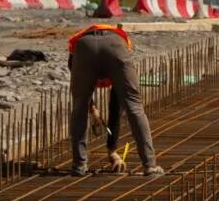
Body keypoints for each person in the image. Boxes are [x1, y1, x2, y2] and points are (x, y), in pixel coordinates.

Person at [66, 23, 163, 177]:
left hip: (84, 47)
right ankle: (150, 166)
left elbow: (80, 91)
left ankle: (79, 166)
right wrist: (94, 110)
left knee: (79, 106)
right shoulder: (119, 50)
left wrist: (112, 149)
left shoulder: (77, 50)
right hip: (115, 44)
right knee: (134, 107)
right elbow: (116, 107)